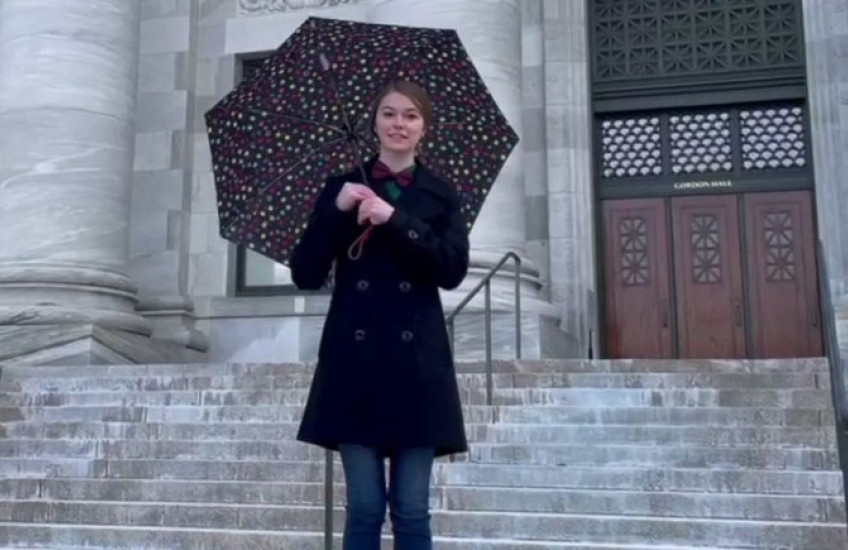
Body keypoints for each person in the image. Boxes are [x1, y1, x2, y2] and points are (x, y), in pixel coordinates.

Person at [290, 79, 469, 550]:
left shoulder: (441, 193)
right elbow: (305, 273)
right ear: (374, 121)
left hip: (418, 369)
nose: (399, 124)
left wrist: (396, 220)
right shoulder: (341, 189)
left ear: (424, 127)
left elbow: (451, 270)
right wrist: (337, 211)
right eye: (389, 113)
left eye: (410, 115)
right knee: (365, 509)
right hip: (356, 364)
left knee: (411, 511)